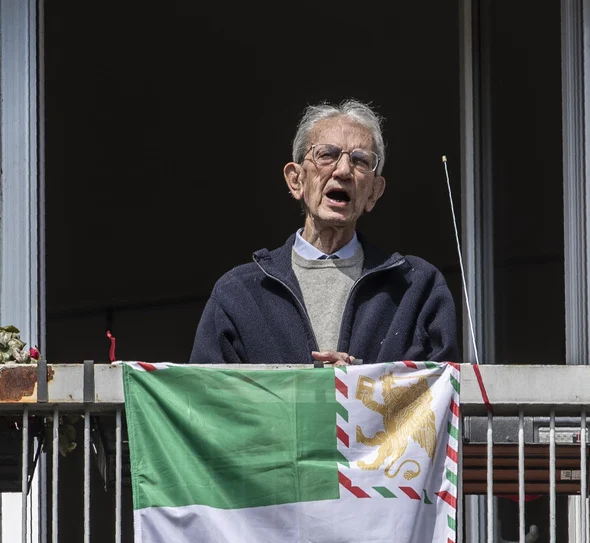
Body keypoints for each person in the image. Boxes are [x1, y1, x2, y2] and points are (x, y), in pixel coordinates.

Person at [190, 100, 459, 365]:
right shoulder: (239, 293)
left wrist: (358, 387)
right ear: (296, 180)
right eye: (326, 155)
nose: (343, 170)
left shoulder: (415, 287)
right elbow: (208, 400)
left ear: (374, 192)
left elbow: (440, 396)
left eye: (360, 160)